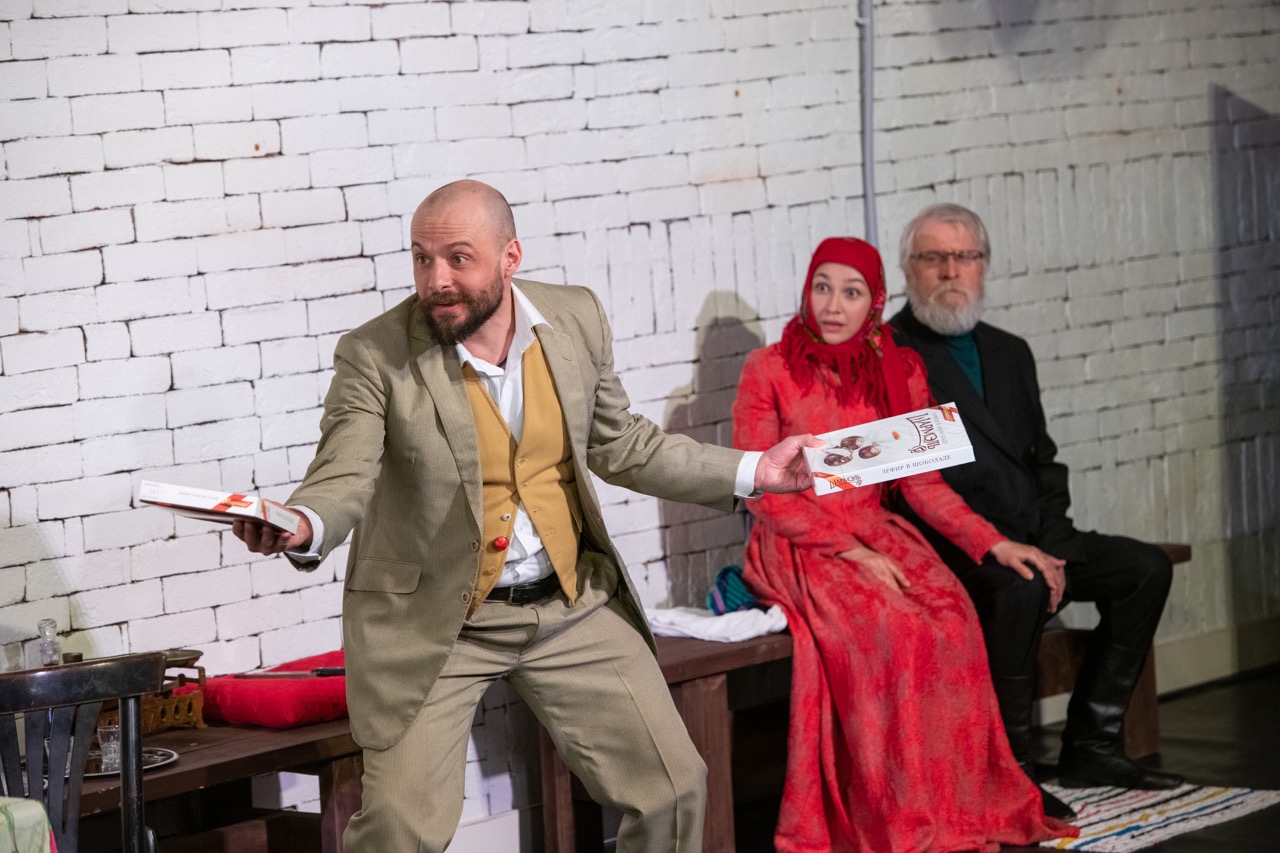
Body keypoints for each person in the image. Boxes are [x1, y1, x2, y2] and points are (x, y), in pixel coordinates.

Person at [231, 179, 820, 852]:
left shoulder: (575, 318)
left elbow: (622, 444)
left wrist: (756, 471)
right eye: (422, 258)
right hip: (437, 623)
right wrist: (303, 524)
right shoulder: (375, 354)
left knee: (673, 789)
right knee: (398, 832)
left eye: (458, 258)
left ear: (510, 257)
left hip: (568, 603)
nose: (436, 279)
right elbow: (343, 474)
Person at [732, 236, 1076, 852]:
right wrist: (850, 550)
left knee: (952, 619)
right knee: (891, 628)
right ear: (807, 290)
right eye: (822, 287)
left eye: (851, 292)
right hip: (801, 539)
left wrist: (994, 544)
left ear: (874, 302)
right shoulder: (769, 368)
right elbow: (761, 490)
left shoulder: (901, 368)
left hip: (877, 529)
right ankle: (895, 814)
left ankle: (952, 806)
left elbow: (922, 485)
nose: (833, 305)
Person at [888, 203, 1183, 803]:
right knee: (1021, 589)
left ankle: (1092, 747)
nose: (951, 270)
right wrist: (1011, 550)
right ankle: (1012, 773)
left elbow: (1042, 462)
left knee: (1144, 569)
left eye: (965, 256)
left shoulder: (1009, 352)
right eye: (933, 257)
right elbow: (915, 487)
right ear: (908, 269)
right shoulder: (892, 354)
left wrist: (1056, 547)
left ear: (985, 265)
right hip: (955, 548)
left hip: (1030, 537)